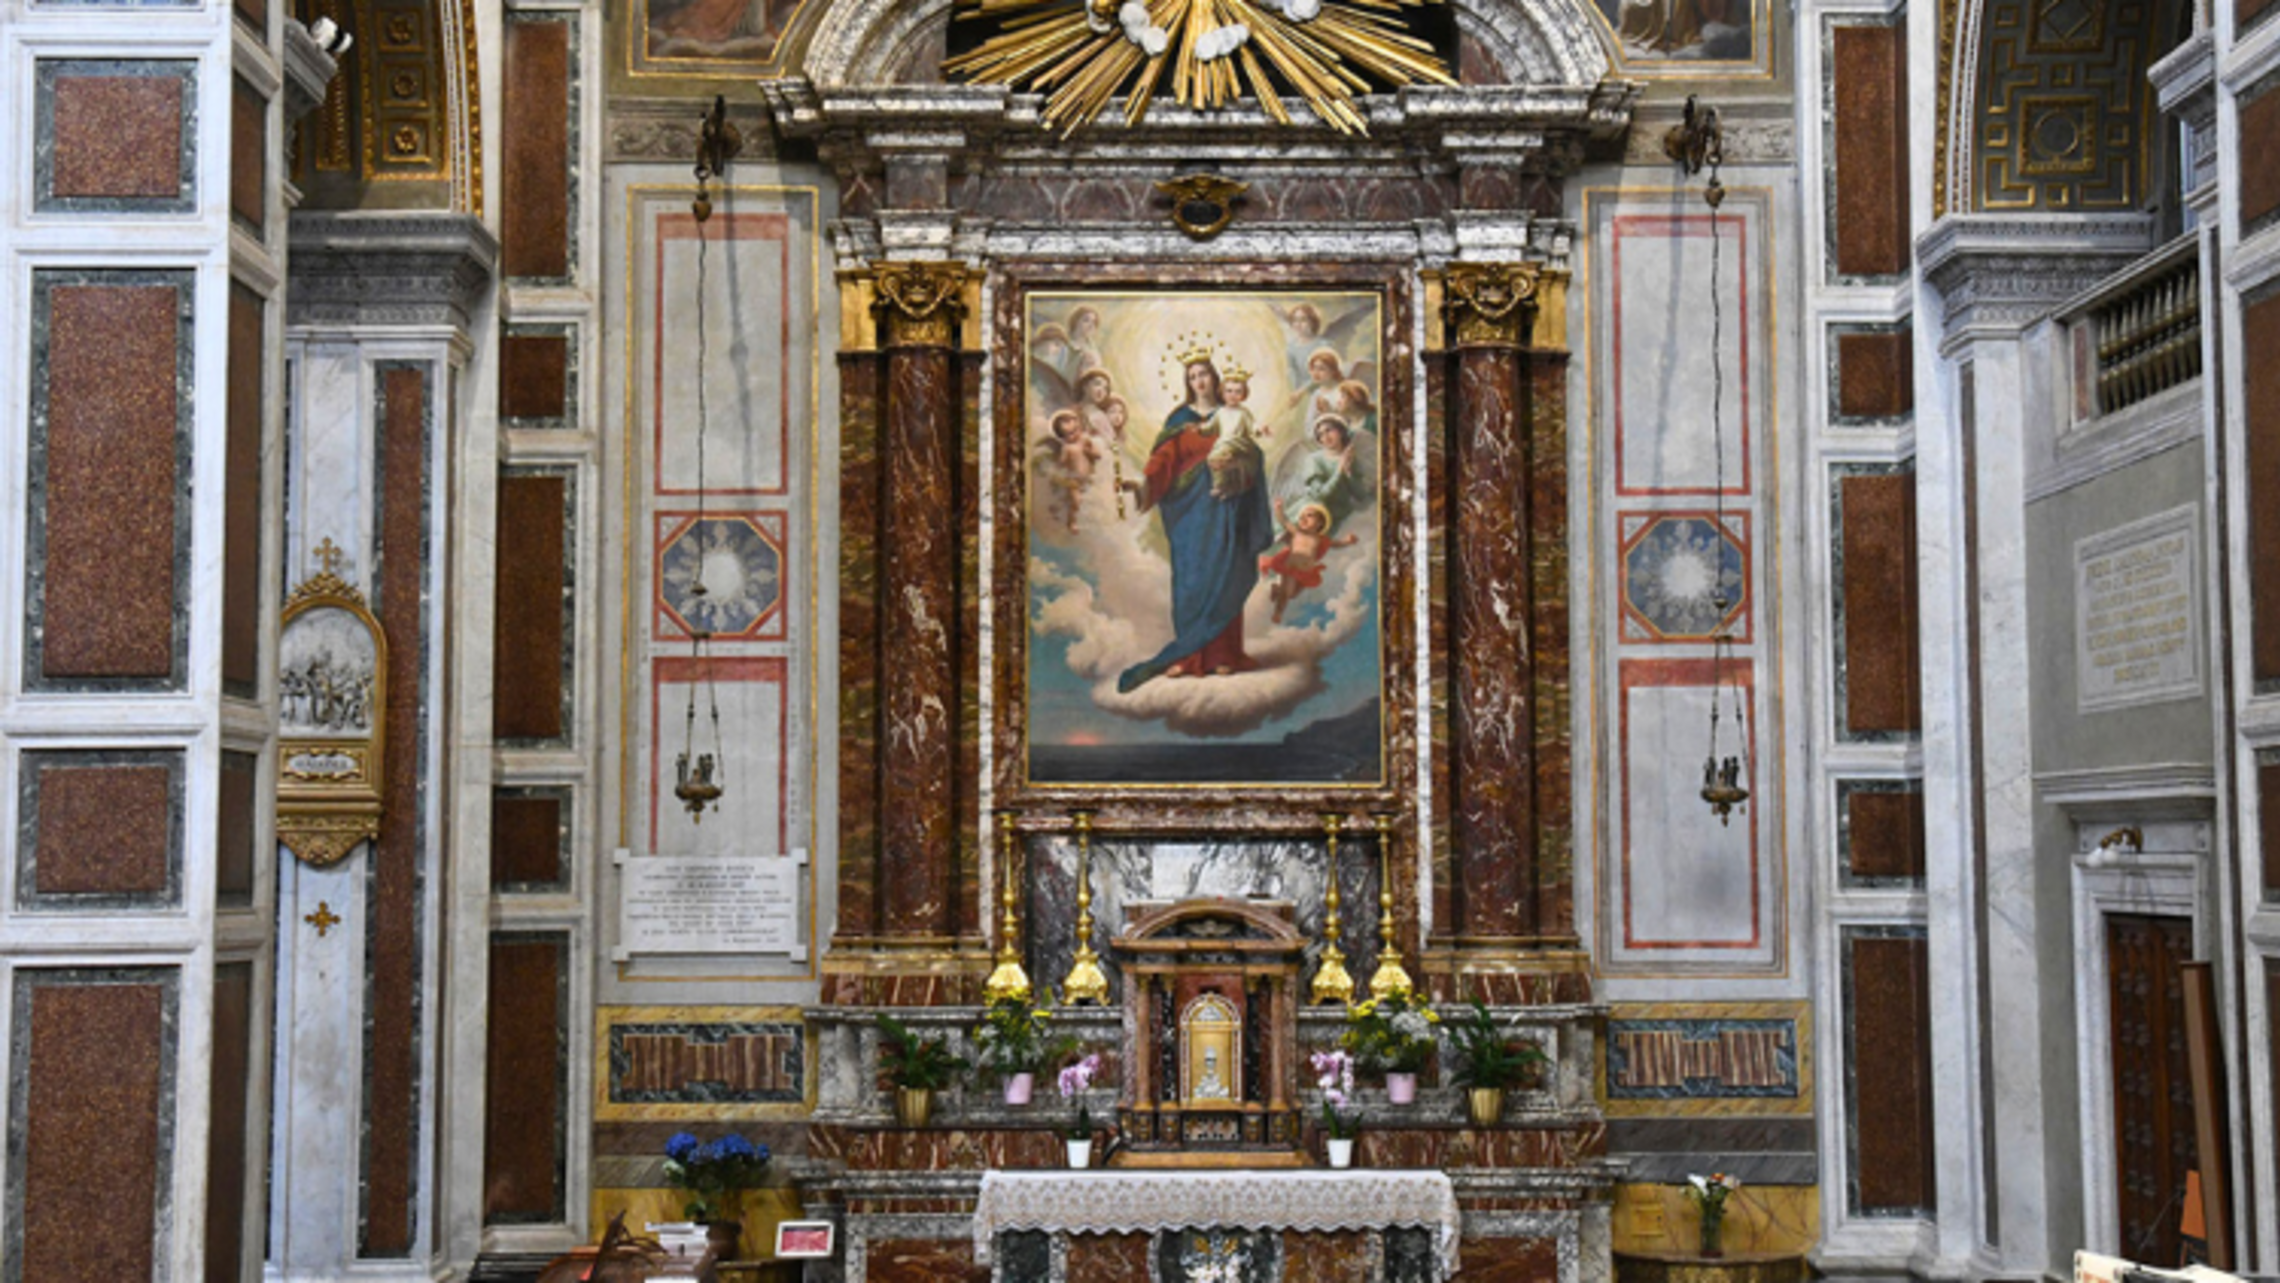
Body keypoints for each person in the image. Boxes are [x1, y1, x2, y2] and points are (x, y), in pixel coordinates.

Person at [1116, 357, 1276, 690]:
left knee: (1226, 577)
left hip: (1227, 509)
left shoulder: (1236, 415)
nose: (1199, 380)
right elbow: (1162, 461)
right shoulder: (1181, 420)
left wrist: (1241, 464)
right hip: (1190, 517)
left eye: (1204, 374)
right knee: (1192, 581)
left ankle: (1224, 657)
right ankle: (1186, 657)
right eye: (1192, 376)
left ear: (1215, 378)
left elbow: (1255, 455)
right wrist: (1142, 486)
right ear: (1187, 382)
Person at [1259, 500, 1359, 624]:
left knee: (1293, 594)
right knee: (1287, 592)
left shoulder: (1321, 539)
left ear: (1320, 523)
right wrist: (1279, 509)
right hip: (1291, 567)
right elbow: (1284, 521)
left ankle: (1276, 589)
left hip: (1306, 572)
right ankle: (1278, 613)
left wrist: (1347, 542)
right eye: (1301, 517)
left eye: (1309, 515)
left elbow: (1336, 544)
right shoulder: (1296, 533)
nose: (1303, 518)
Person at [1205, 367, 1264, 499]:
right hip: (1223, 444)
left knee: (1221, 457)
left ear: (1243, 395)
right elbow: (1210, 427)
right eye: (1229, 391)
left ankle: (1225, 486)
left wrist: (1259, 429)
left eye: (1238, 392)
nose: (1233, 395)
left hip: (1240, 444)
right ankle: (1223, 486)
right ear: (1222, 393)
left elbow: (1252, 426)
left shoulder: (1243, 413)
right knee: (1215, 460)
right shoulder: (1220, 413)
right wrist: (1200, 429)